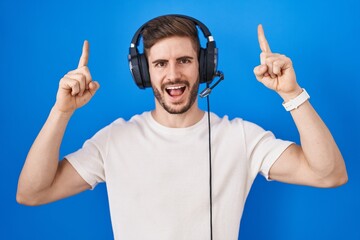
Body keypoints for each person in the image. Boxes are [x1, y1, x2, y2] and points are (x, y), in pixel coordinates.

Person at [17, 15, 348, 240]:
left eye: (185, 61)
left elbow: (328, 174)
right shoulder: (114, 140)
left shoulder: (241, 137)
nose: (173, 74)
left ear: (204, 66)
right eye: (160, 64)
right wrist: (61, 112)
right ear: (143, 73)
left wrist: (292, 93)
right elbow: (33, 192)